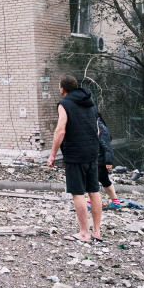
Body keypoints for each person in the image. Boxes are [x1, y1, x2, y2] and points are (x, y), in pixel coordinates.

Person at [48, 74, 102, 242]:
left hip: (75, 153)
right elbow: (97, 128)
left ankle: (84, 233)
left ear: (62, 89)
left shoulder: (65, 104)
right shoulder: (90, 101)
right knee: (94, 190)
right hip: (92, 151)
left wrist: (52, 155)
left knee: (78, 193)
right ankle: (97, 232)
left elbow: (60, 130)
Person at [94, 112, 122, 210]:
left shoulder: (100, 127)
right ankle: (116, 202)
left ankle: (92, 204)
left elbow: (107, 146)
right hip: (99, 159)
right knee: (104, 180)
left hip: (100, 160)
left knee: (94, 182)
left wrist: (108, 161)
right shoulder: (97, 125)